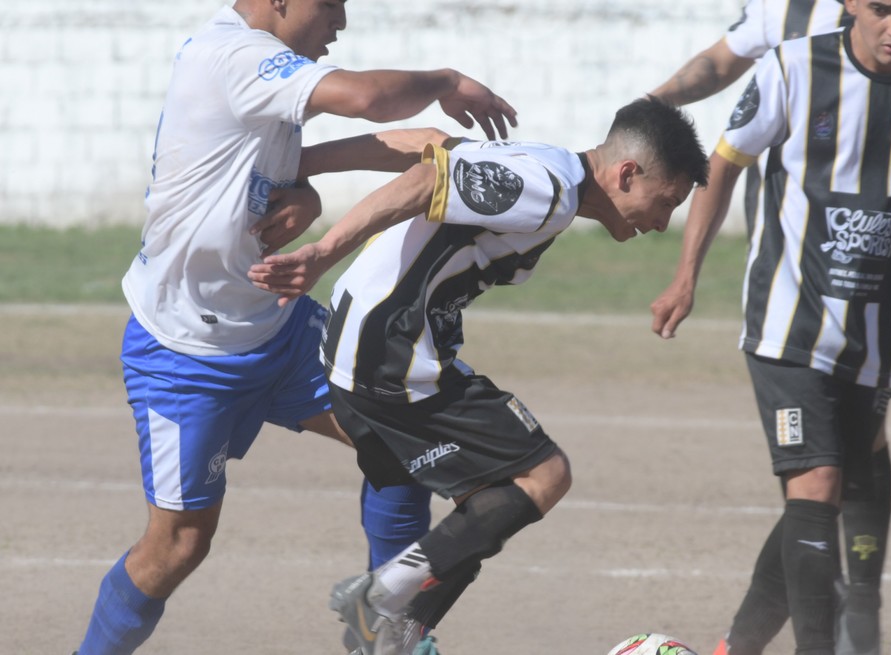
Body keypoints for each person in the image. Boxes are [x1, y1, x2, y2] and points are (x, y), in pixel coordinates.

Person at [74, 0, 519, 652]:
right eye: (331, 3)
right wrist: (447, 82)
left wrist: (363, 168)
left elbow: (294, 159)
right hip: (186, 355)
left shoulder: (263, 72)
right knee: (178, 545)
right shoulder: (232, 55)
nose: (340, 22)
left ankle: (391, 630)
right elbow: (366, 98)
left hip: (280, 331)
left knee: (402, 436)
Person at [248, 96, 710, 655]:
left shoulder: (546, 164)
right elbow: (424, 179)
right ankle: (382, 602)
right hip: (388, 350)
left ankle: (396, 634)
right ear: (628, 174)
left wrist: (302, 164)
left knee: (489, 510)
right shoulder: (549, 189)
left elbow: (425, 141)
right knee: (544, 476)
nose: (662, 224)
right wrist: (322, 250)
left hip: (365, 346)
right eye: (665, 203)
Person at [647, 2, 891, 652]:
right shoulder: (792, 66)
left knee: (820, 500)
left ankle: (736, 646)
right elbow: (724, 162)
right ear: (849, 4)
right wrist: (685, 275)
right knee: (819, 482)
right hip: (788, 318)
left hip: (878, 332)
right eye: (882, 10)